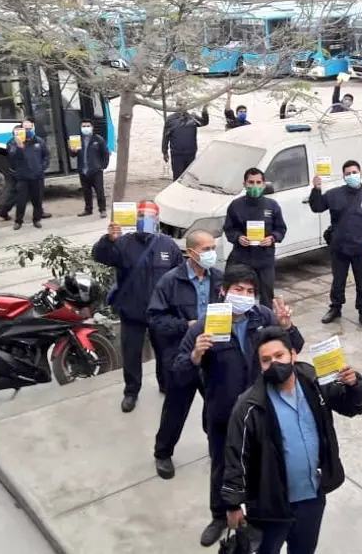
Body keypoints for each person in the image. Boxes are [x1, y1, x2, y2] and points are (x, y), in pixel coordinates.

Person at [175, 265, 304, 548]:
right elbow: (179, 372)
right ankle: (219, 515)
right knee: (223, 468)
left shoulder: (264, 317)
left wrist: (287, 328)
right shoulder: (205, 325)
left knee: (263, 466)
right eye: (238, 290)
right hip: (223, 415)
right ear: (223, 291)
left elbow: (292, 351)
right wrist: (196, 355)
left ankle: (258, 516)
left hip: (263, 413)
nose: (244, 296)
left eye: (249, 291)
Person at [223, 327, 362, 554]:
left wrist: (354, 385)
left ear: (292, 354)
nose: (274, 363)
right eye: (266, 360)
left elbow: (352, 407)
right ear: (260, 365)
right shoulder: (248, 407)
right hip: (269, 506)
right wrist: (233, 505)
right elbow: (236, 457)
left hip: (312, 498)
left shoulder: (314, 383)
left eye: (279, 356)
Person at [92, 202, 183, 413]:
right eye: (142, 215)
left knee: (165, 352)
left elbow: (179, 276)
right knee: (131, 354)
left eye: (151, 216)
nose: (146, 219)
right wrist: (108, 240)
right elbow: (100, 256)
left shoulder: (168, 245)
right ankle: (131, 392)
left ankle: (165, 384)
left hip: (160, 312)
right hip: (132, 312)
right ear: (136, 218)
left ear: (158, 219)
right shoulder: (122, 243)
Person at [148, 229, 222, 480]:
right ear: (190, 253)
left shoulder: (220, 279)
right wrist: (186, 326)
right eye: (206, 250)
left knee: (215, 406)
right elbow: (155, 318)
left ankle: (216, 446)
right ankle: (163, 452)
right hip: (183, 354)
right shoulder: (170, 281)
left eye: (213, 248)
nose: (212, 254)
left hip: (214, 353)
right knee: (176, 407)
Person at [309, 160, 362, 329]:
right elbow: (317, 206)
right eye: (348, 174)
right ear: (343, 176)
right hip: (339, 248)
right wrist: (316, 189)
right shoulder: (334, 194)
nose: (351, 176)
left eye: (354, 172)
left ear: (361, 173)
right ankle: (335, 308)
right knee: (338, 281)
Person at [222, 168, 287, 308]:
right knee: (239, 294)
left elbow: (281, 229)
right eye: (251, 182)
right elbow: (229, 229)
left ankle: (267, 324)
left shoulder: (272, 206)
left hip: (265, 260)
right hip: (242, 259)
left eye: (258, 182)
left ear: (264, 184)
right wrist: (238, 238)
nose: (255, 186)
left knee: (266, 295)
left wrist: (272, 238)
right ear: (244, 184)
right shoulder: (235, 206)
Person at [7, 118, 49, 229]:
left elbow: (46, 156)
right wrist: (19, 148)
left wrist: (42, 168)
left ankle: (37, 219)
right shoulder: (13, 142)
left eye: (30, 128)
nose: (29, 130)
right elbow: (12, 157)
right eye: (26, 128)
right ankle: (18, 221)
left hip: (37, 176)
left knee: (37, 200)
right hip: (22, 177)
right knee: (21, 201)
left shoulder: (39, 141)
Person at [71, 119, 110, 218]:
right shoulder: (77, 140)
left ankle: (102, 210)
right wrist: (73, 150)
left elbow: (105, 154)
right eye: (83, 126)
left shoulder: (98, 139)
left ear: (92, 127)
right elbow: (72, 155)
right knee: (86, 191)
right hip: (83, 170)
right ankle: (88, 209)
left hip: (96, 170)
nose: (85, 128)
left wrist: (103, 166)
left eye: (88, 126)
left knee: (99, 191)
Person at [162, 103, 209, 179]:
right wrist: (164, 152)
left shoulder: (192, 117)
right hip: (177, 154)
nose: (182, 107)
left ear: (187, 106)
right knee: (178, 177)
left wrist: (204, 110)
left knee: (188, 178)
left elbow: (204, 122)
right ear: (176, 106)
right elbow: (165, 136)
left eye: (184, 105)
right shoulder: (170, 119)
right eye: (180, 105)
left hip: (191, 153)